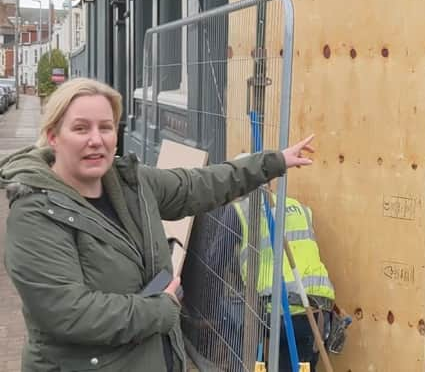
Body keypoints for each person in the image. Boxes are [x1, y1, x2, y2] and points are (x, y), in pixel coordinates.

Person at [0, 77, 315, 372]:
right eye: (81, 129)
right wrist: (161, 309)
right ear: (54, 136)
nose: (96, 140)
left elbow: (198, 185)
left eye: (106, 127)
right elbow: (68, 312)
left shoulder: (131, 184)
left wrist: (271, 162)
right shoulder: (35, 213)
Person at [230, 172, 335, 372]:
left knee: (234, 320)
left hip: (279, 308)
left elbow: (216, 259)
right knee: (299, 365)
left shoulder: (240, 210)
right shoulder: (300, 207)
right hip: (318, 308)